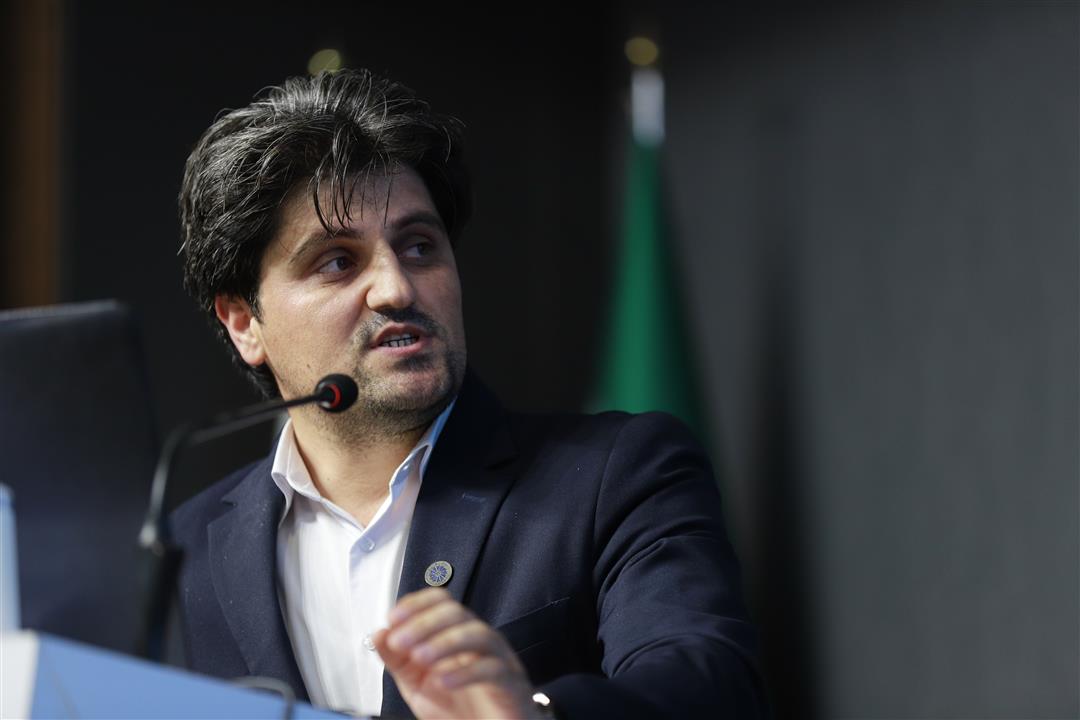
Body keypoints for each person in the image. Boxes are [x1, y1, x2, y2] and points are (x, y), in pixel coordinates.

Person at [171, 68, 767, 719]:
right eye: (338, 261)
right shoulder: (179, 556)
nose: (396, 288)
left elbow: (710, 688)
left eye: (418, 247)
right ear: (244, 322)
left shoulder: (619, 475)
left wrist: (534, 714)